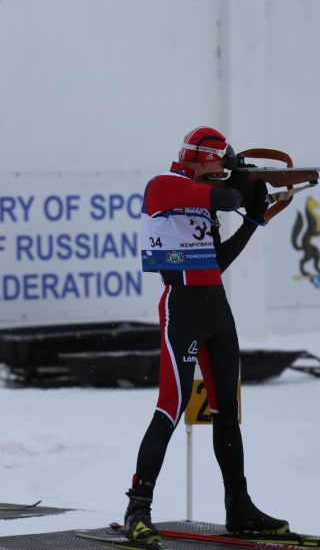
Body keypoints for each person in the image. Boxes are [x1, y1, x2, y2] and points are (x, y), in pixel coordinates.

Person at [126, 126, 288, 543]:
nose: (222, 169)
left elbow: (215, 262)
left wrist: (254, 220)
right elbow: (227, 195)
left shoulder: (202, 201)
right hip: (181, 307)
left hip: (215, 307)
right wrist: (242, 185)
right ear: (199, 158)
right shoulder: (165, 185)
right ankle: (137, 509)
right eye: (220, 162)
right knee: (171, 407)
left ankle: (239, 506)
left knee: (228, 412)